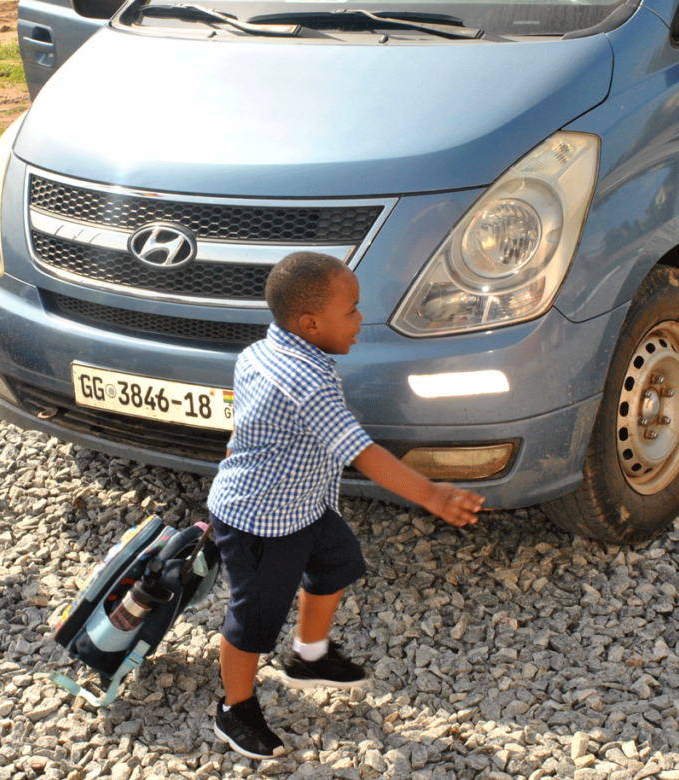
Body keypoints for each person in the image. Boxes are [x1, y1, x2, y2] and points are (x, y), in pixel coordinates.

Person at [208, 251, 485, 759]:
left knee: (336, 564)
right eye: (353, 310)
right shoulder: (307, 382)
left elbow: (245, 421)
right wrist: (433, 495)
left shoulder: (259, 351)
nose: (362, 320)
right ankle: (234, 707)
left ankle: (309, 657)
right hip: (263, 522)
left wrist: (237, 451)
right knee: (253, 620)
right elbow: (363, 452)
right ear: (311, 323)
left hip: (305, 507)